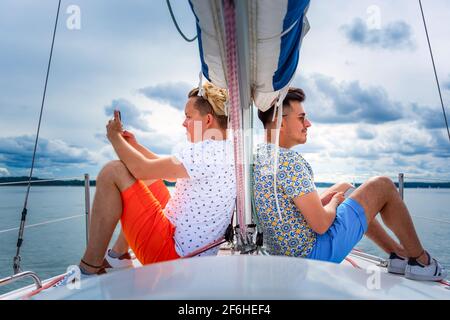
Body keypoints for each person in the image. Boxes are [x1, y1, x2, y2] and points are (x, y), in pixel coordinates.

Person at [252, 87, 446, 281]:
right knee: (383, 185)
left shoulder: (259, 157)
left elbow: (287, 208)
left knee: (345, 186)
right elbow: (320, 225)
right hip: (311, 257)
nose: (308, 124)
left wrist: (330, 201)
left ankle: (397, 254)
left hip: (281, 256)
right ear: (281, 123)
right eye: (301, 118)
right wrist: (334, 203)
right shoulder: (289, 161)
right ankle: (421, 261)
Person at [76, 82, 236, 277]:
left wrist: (114, 137)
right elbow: (163, 171)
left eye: (188, 117)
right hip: (194, 256)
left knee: (113, 170)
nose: (183, 123)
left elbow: (141, 169)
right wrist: (135, 146)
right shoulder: (227, 149)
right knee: (150, 179)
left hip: (175, 260)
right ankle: (119, 257)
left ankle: (87, 270)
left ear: (208, 119)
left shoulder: (204, 152)